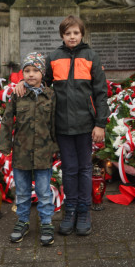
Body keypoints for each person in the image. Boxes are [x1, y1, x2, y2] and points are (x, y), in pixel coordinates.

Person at [16, 15, 109, 236]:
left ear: (82, 34)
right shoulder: (54, 58)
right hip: (62, 124)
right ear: (62, 36)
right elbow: (40, 80)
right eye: (68, 33)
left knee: (85, 169)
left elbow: (101, 93)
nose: (72, 37)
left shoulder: (91, 57)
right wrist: (23, 81)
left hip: (86, 124)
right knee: (69, 169)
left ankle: (84, 211)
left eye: (76, 33)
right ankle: (71, 209)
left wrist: (101, 124)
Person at [0, 52, 57, 246]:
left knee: (43, 191)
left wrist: (56, 147)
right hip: (21, 153)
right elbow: (7, 121)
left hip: (43, 152)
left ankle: (46, 222)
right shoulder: (17, 95)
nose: (31, 75)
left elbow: (55, 123)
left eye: (35, 70)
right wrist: (5, 145)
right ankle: (22, 221)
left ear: (43, 73)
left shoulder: (50, 96)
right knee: (22, 191)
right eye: (27, 71)